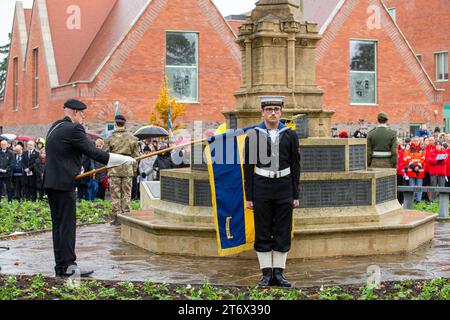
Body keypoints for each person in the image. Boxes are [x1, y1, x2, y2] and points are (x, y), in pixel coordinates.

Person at [44, 99, 136, 277]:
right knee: (67, 227)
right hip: (63, 184)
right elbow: (94, 152)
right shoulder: (74, 129)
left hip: (52, 182)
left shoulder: (55, 126)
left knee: (59, 227)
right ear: (75, 113)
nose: (84, 117)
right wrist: (124, 159)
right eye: (82, 114)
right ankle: (69, 267)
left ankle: (61, 266)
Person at [244, 96, 301, 287]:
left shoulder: (290, 135)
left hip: (284, 186)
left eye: (276, 109)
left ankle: (279, 273)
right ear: (262, 112)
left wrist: (295, 194)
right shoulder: (253, 134)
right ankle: (266, 274)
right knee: (263, 230)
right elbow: (248, 167)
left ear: (281, 112)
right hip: (262, 186)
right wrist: (249, 196)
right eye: (269, 109)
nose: (273, 112)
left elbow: (295, 165)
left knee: (282, 230)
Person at [104, 115, 140, 224]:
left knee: (115, 195)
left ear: (115, 123)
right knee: (126, 194)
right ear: (125, 123)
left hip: (114, 168)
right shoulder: (132, 138)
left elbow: (105, 154)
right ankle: (126, 216)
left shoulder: (110, 138)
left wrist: (108, 167)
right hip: (127, 167)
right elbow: (136, 156)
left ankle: (116, 217)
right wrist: (134, 169)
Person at [404, 137, 426, 203]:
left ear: (419, 141)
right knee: (412, 187)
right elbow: (407, 158)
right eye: (414, 141)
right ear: (412, 141)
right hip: (411, 171)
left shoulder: (422, 149)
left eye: (417, 141)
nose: (416, 142)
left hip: (420, 171)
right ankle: (412, 200)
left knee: (419, 187)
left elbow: (423, 158)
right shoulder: (409, 150)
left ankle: (418, 201)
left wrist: (418, 166)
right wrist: (413, 166)